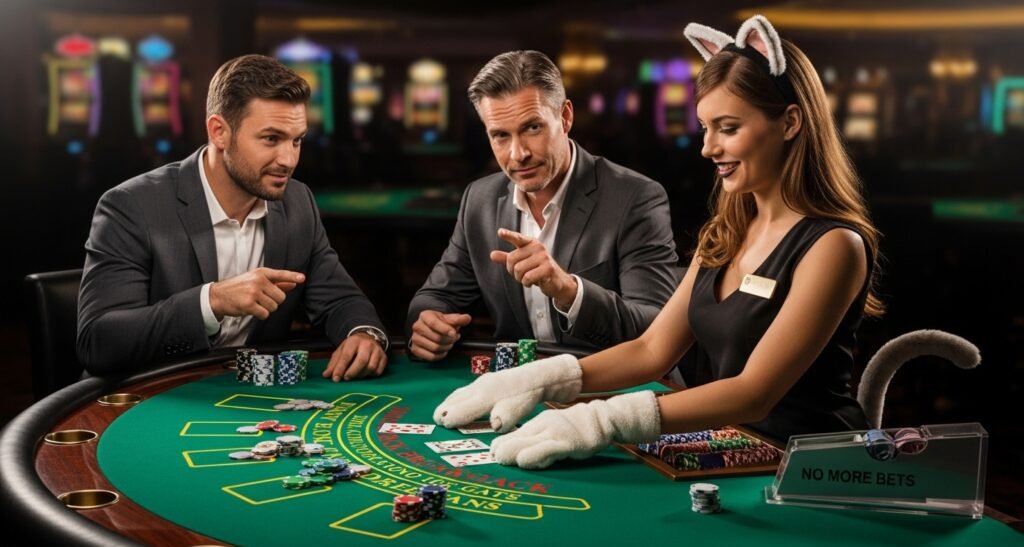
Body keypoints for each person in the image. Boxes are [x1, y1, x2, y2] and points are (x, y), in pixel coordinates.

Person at [433, 15, 884, 469]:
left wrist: (604, 419)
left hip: (820, 470)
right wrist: (539, 380)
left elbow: (754, 393)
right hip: (740, 452)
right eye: (705, 128)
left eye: (728, 128)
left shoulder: (834, 245)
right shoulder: (724, 234)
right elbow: (652, 350)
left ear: (789, 122)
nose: (707, 148)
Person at [77, 54, 389, 381]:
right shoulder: (132, 206)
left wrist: (363, 334)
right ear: (219, 132)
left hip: (248, 401)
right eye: (271, 139)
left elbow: (340, 299)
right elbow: (98, 343)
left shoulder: (298, 202)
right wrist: (212, 301)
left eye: (297, 140)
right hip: (151, 397)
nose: (288, 159)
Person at [406, 50, 679, 361]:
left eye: (532, 128)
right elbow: (436, 297)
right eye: (500, 136)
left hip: (614, 388)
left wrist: (568, 290)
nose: (517, 153)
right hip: (522, 389)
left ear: (565, 117)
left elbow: (656, 328)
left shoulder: (635, 197)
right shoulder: (479, 200)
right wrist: (429, 322)